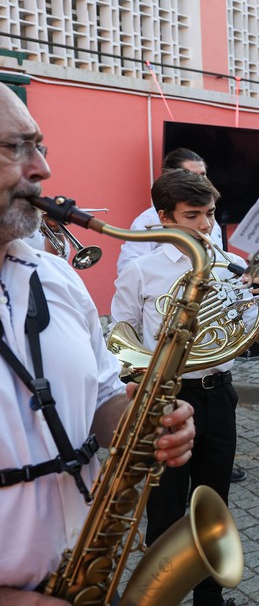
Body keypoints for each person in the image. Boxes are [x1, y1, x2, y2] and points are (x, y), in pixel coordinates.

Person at [0, 85, 195, 600]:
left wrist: (144, 423)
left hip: (80, 574)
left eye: (40, 147)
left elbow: (103, 393)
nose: (42, 169)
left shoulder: (55, 275)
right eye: (13, 148)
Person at [111, 169, 259, 606]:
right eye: (193, 215)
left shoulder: (228, 265)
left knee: (212, 503)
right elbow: (121, 341)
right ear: (164, 218)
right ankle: (160, 596)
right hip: (167, 398)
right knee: (164, 509)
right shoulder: (140, 272)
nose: (204, 225)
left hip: (219, 393)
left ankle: (209, 597)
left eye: (211, 213)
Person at [116, 148, 224, 275]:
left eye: (203, 175)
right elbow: (128, 268)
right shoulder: (148, 220)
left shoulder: (207, 218)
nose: (200, 182)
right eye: (191, 216)